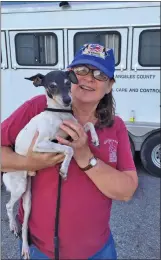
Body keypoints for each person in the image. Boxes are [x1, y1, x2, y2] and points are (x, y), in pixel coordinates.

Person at [1, 43, 138, 260]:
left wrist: (85, 156)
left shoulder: (115, 125)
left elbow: (127, 191)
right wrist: (30, 163)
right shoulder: (38, 108)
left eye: (100, 74)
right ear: (71, 75)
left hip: (98, 250)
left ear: (110, 86)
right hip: (40, 250)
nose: (88, 78)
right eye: (81, 70)